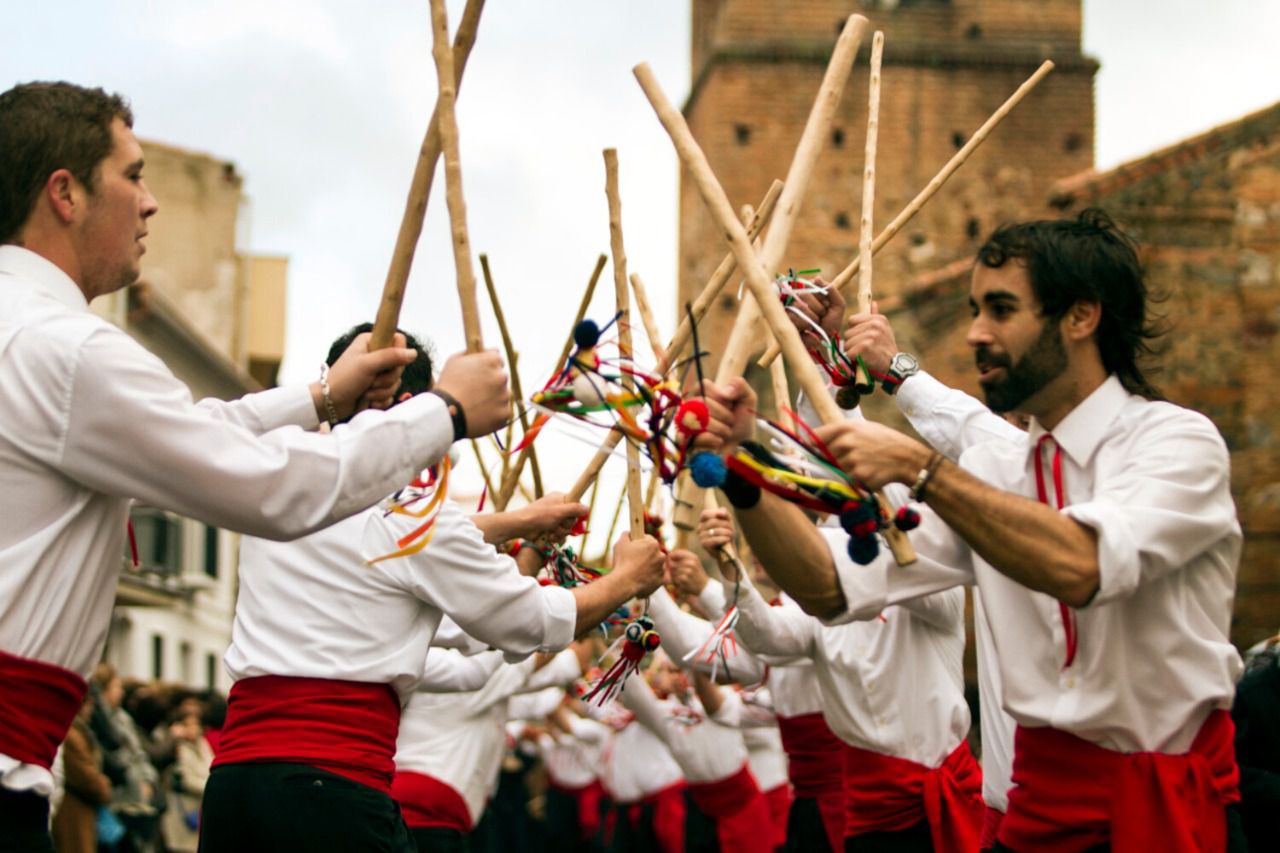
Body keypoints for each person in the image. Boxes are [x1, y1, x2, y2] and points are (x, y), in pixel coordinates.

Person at [0, 80, 510, 850]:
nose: (150, 203)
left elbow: (202, 432)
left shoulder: (35, 338)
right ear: (64, 193)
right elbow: (272, 487)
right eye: (133, 175)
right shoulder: (70, 350)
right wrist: (443, 412)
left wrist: (319, 399)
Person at [699, 209, 1246, 851]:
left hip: (1169, 817)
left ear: (1080, 316)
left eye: (1001, 310)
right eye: (974, 309)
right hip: (1032, 822)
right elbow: (826, 589)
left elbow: (1083, 566)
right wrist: (742, 469)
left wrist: (918, 466)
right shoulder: (995, 469)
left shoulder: (1177, 442)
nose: (975, 335)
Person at [197, 325, 666, 852]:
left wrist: (518, 522)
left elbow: (378, 533)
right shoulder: (412, 518)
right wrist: (628, 578)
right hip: (331, 789)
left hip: (234, 787)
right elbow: (529, 622)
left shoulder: (280, 469)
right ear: (413, 409)